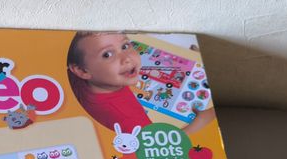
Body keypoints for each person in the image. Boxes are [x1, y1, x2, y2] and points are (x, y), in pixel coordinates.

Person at [67, 32, 215, 136]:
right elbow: (156, 150)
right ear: (81, 70)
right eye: (107, 54)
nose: (127, 58)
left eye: (125, 46)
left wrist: (191, 57)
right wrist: (201, 121)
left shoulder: (78, 76)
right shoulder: (129, 118)